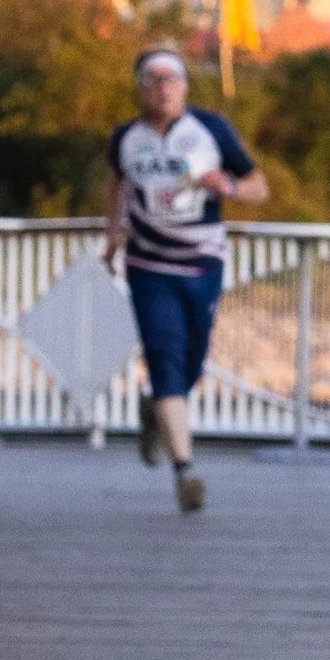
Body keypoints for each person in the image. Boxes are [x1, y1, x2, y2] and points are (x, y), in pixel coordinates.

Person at [104, 46, 269, 515]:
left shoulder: (210, 130)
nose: (163, 88)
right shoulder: (126, 139)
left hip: (203, 261)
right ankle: (185, 469)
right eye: (153, 79)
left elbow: (259, 186)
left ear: (184, 86)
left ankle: (158, 409)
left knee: (193, 356)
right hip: (150, 263)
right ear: (141, 87)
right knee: (164, 352)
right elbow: (115, 183)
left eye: (172, 79)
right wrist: (113, 236)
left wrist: (229, 187)